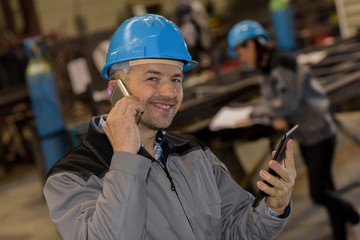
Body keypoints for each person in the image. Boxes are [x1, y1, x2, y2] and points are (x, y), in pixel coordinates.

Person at [43, 14, 296, 240]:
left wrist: (273, 207)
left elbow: (237, 229)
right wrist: (125, 158)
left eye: (176, 79)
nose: (170, 92)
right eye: (153, 78)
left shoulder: (195, 153)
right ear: (114, 90)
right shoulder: (71, 176)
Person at [227, 20, 360, 240]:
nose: (240, 58)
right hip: (309, 135)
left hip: (319, 134)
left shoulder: (280, 64)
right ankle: (339, 230)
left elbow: (285, 104)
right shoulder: (268, 66)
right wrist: (272, 113)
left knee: (319, 193)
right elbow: (273, 101)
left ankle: (353, 216)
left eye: (240, 51)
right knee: (327, 186)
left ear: (251, 44)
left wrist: (256, 114)